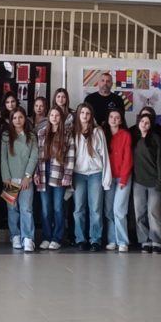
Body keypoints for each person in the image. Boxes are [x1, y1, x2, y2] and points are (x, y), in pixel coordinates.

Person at [71, 103, 111, 252]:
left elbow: (104, 155)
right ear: (78, 114)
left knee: (95, 209)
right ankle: (80, 239)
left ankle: (95, 239)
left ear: (91, 115)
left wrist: (106, 178)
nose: (85, 116)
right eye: (82, 113)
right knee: (78, 209)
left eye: (87, 113)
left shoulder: (98, 131)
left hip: (95, 173)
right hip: (78, 174)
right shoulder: (73, 131)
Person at [34, 106, 74, 251]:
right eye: (52, 115)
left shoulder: (67, 134)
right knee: (46, 209)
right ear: (48, 117)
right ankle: (46, 237)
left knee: (58, 208)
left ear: (61, 118)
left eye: (57, 115)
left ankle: (57, 238)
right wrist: (36, 173)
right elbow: (37, 155)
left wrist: (67, 175)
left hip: (59, 174)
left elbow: (70, 157)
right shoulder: (41, 133)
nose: (54, 118)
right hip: (43, 172)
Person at [132, 113, 161, 254]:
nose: (144, 124)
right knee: (140, 213)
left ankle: (157, 240)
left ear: (151, 125)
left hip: (155, 181)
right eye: (142, 121)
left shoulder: (155, 138)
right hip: (138, 182)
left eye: (147, 122)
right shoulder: (134, 138)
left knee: (155, 213)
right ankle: (144, 240)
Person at [2, 108, 38, 252]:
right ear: (11, 120)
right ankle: (15, 235)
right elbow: (3, 158)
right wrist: (6, 177)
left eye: (20, 117)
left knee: (26, 209)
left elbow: (34, 157)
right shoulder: (6, 136)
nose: (18, 120)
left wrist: (27, 176)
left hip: (25, 180)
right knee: (12, 209)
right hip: (10, 179)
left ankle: (28, 238)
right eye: (15, 118)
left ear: (25, 119)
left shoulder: (31, 136)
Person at [104, 109, 133, 252]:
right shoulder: (103, 134)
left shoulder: (125, 135)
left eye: (117, 117)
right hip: (108, 178)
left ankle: (122, 241)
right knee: (109, 210)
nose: (114, 119)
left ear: (121, 120)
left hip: (123, 177)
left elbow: (128, 158)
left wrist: (124, 179)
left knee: (119, 210)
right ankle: (112, 240)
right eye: (111, 117)